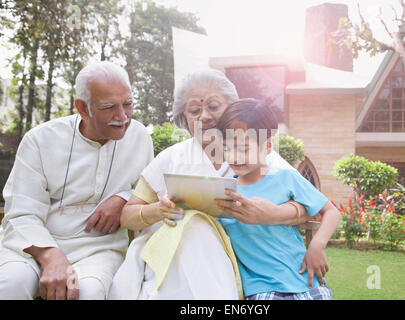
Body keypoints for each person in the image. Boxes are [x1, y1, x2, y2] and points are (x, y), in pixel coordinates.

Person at [108, 69, 312, 300]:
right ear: (184, 117)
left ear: (231, 109)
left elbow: (308, 205)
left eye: (213, 107)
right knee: (193, 224)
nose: (204, 116)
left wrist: (272, 214)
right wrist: (157, 210)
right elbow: (127, 215)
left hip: (238, 260)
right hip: (174, 255)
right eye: (194, 110)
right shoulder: (171, 157)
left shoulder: (257, 152)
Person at [0, 61, 153, 300]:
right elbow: (21, 211)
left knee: (87, 292)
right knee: (11, 284)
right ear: (82, 108)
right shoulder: (40, 140)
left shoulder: (140, 137)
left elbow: (148, 191)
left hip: (99, 248)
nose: (122, 116)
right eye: (109, 107)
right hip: (34, 244)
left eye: (128, 104)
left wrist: (123, 199)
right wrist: (51, 256)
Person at [215, 98, 340, 300]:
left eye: (244, 148)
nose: (234, 157)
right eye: (227, 148)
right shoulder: (222, 190)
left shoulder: (286, 178)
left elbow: (331, 211)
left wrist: (317, 245)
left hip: (305, 282)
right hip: (262, 289)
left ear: (267, 146)